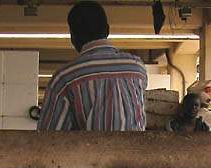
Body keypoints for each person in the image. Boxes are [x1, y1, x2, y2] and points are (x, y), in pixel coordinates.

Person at [37, 1, 147, 131]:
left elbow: (50, 136)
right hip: (136, 150)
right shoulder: (136, 68)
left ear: (73, 37)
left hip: (92, 150)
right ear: (107, 29)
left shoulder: (64, 78)